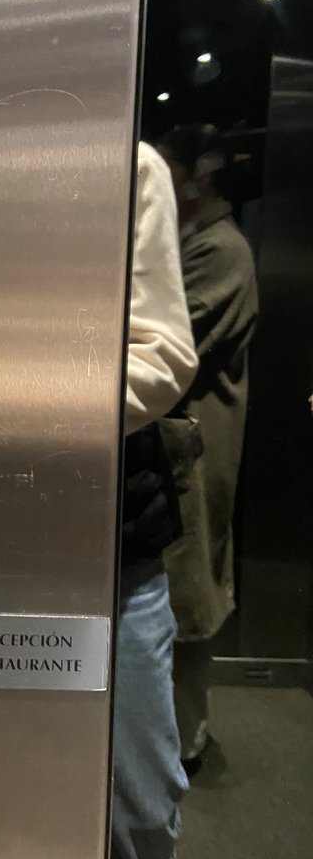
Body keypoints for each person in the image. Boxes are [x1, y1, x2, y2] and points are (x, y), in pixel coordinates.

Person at [109, 142, 198, 859]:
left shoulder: (127, 164)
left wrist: (8, 398)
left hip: (110, 550)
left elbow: (163, 355)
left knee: (136, 811)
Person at [156, 126, 259, 771]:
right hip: (180, 450)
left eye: (174, 173)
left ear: (204, 174)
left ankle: (184, 743)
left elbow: (173, 343)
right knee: (176, 585)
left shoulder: (222, 251)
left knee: (190, 591)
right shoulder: (196, 244)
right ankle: (172, 737)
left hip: (194, 450)